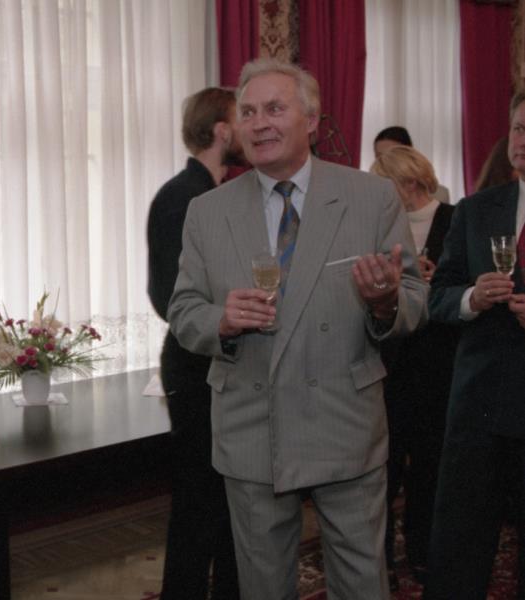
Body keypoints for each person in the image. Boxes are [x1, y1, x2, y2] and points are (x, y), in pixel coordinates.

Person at [166, 58, 428, 599]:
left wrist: (384, 303)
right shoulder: (207, 212)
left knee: (361, 583)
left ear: (311, 120)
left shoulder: (369, 197)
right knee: (262, 586)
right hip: (251, 425)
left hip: (344, 420)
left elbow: (413, 299)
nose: (259, 123)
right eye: (248, 112)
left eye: (274, 108)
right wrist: (221, 320)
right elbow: (184, 311)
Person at [424, 91, 525, 600]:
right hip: (479, 409)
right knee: (458, 554)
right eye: (519, 128)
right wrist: (471, 298)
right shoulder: (477, 209)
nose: (523, 141)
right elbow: (437, 295)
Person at [146, 86, 243, 600]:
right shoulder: (182, 198)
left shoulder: (214, 193)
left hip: (219, 364)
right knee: (198, 503)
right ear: (223, 131)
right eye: (243, 117)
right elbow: (169, 296)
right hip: (195, 366)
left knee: (226, 503)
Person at [370, 146, 458, 586]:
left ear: (408, 183)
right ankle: (380, 557)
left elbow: (467, 284)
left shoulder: (456, 219)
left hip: (438, 362)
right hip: (389, 364)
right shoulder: (380, 228)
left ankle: (423, 551)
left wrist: (435, 280)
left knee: (429, 465)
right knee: (382, 469)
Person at [374, 126, 452, 204]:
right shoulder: (371, 192)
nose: (385, 160)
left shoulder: (439, 195)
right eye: (379, 156)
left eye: (393, 155)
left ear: (409, 153)